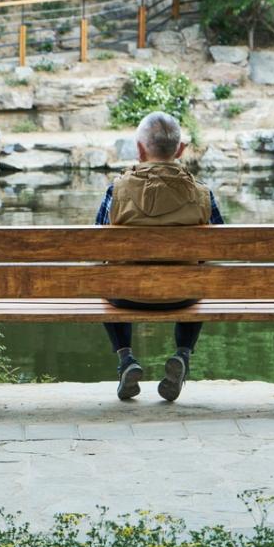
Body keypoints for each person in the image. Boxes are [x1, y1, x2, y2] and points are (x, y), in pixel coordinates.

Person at [94, 111, 224, 402]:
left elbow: (96, 248)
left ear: (140, 150)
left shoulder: (116, 190)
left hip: (126, 295)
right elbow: (219, 248)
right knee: (199, 277)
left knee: (106, 277)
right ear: (180, 150)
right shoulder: (202, 193)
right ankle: (183, 354)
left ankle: (126, 358)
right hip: (183, 295)